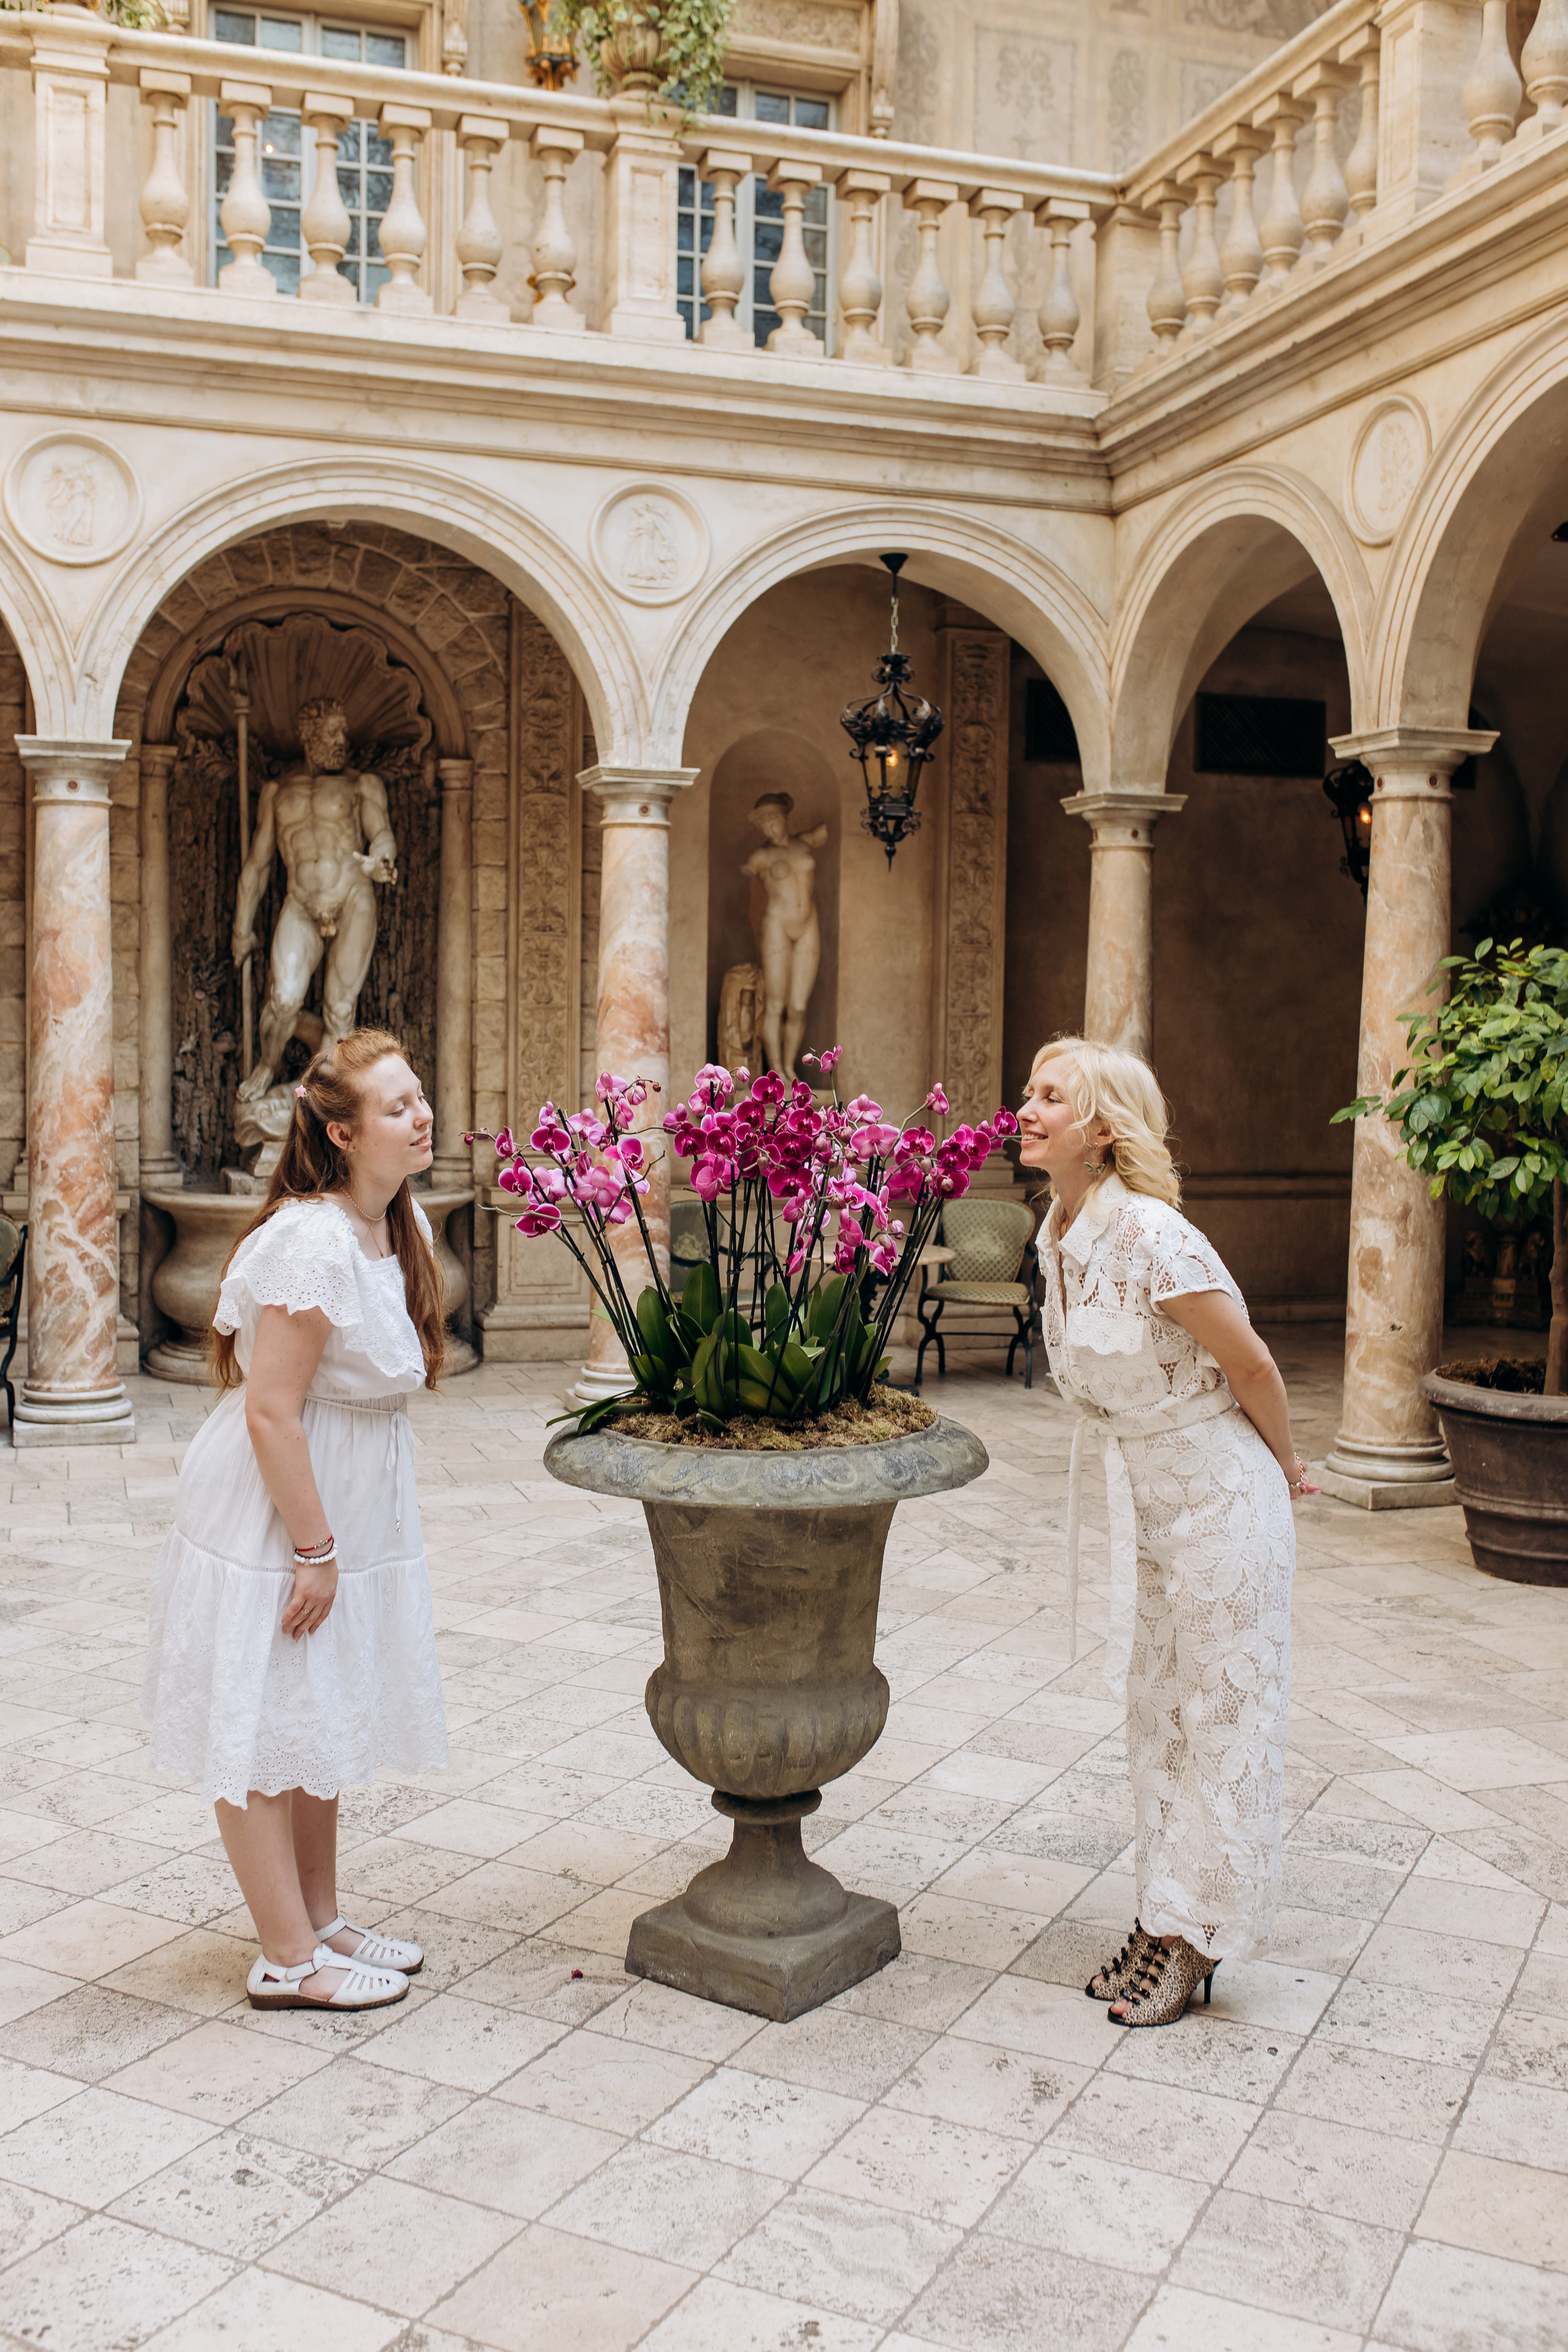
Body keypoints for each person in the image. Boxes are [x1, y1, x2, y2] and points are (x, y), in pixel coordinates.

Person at [142, 1028, 449, 2011]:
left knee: (316, 1717)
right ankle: (286, 1958)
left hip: (346, 1501)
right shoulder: (312, 1240)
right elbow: (271, 1411)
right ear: (343, 1134)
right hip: (278, 1509)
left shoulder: (396, 1224)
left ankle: (321, 1920)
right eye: (398, 1106)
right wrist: (314, 1550)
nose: (423, 1116)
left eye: (419, 1097)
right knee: (262, 1722)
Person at [1019, 1035, 1314, 2028]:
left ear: (1102, 1131)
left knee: (1222, 1723)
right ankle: (1162, 1916)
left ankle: (1198, 1936)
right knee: (1160, 1719)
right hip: (1150, 1507)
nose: (1026, 1110)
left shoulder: (1155, 1236)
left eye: (1050, 1097)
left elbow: (1253, 1365)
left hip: (1224, 1503)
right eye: (1029, 1093)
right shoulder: (1058, 1233)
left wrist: (1287, 1468)